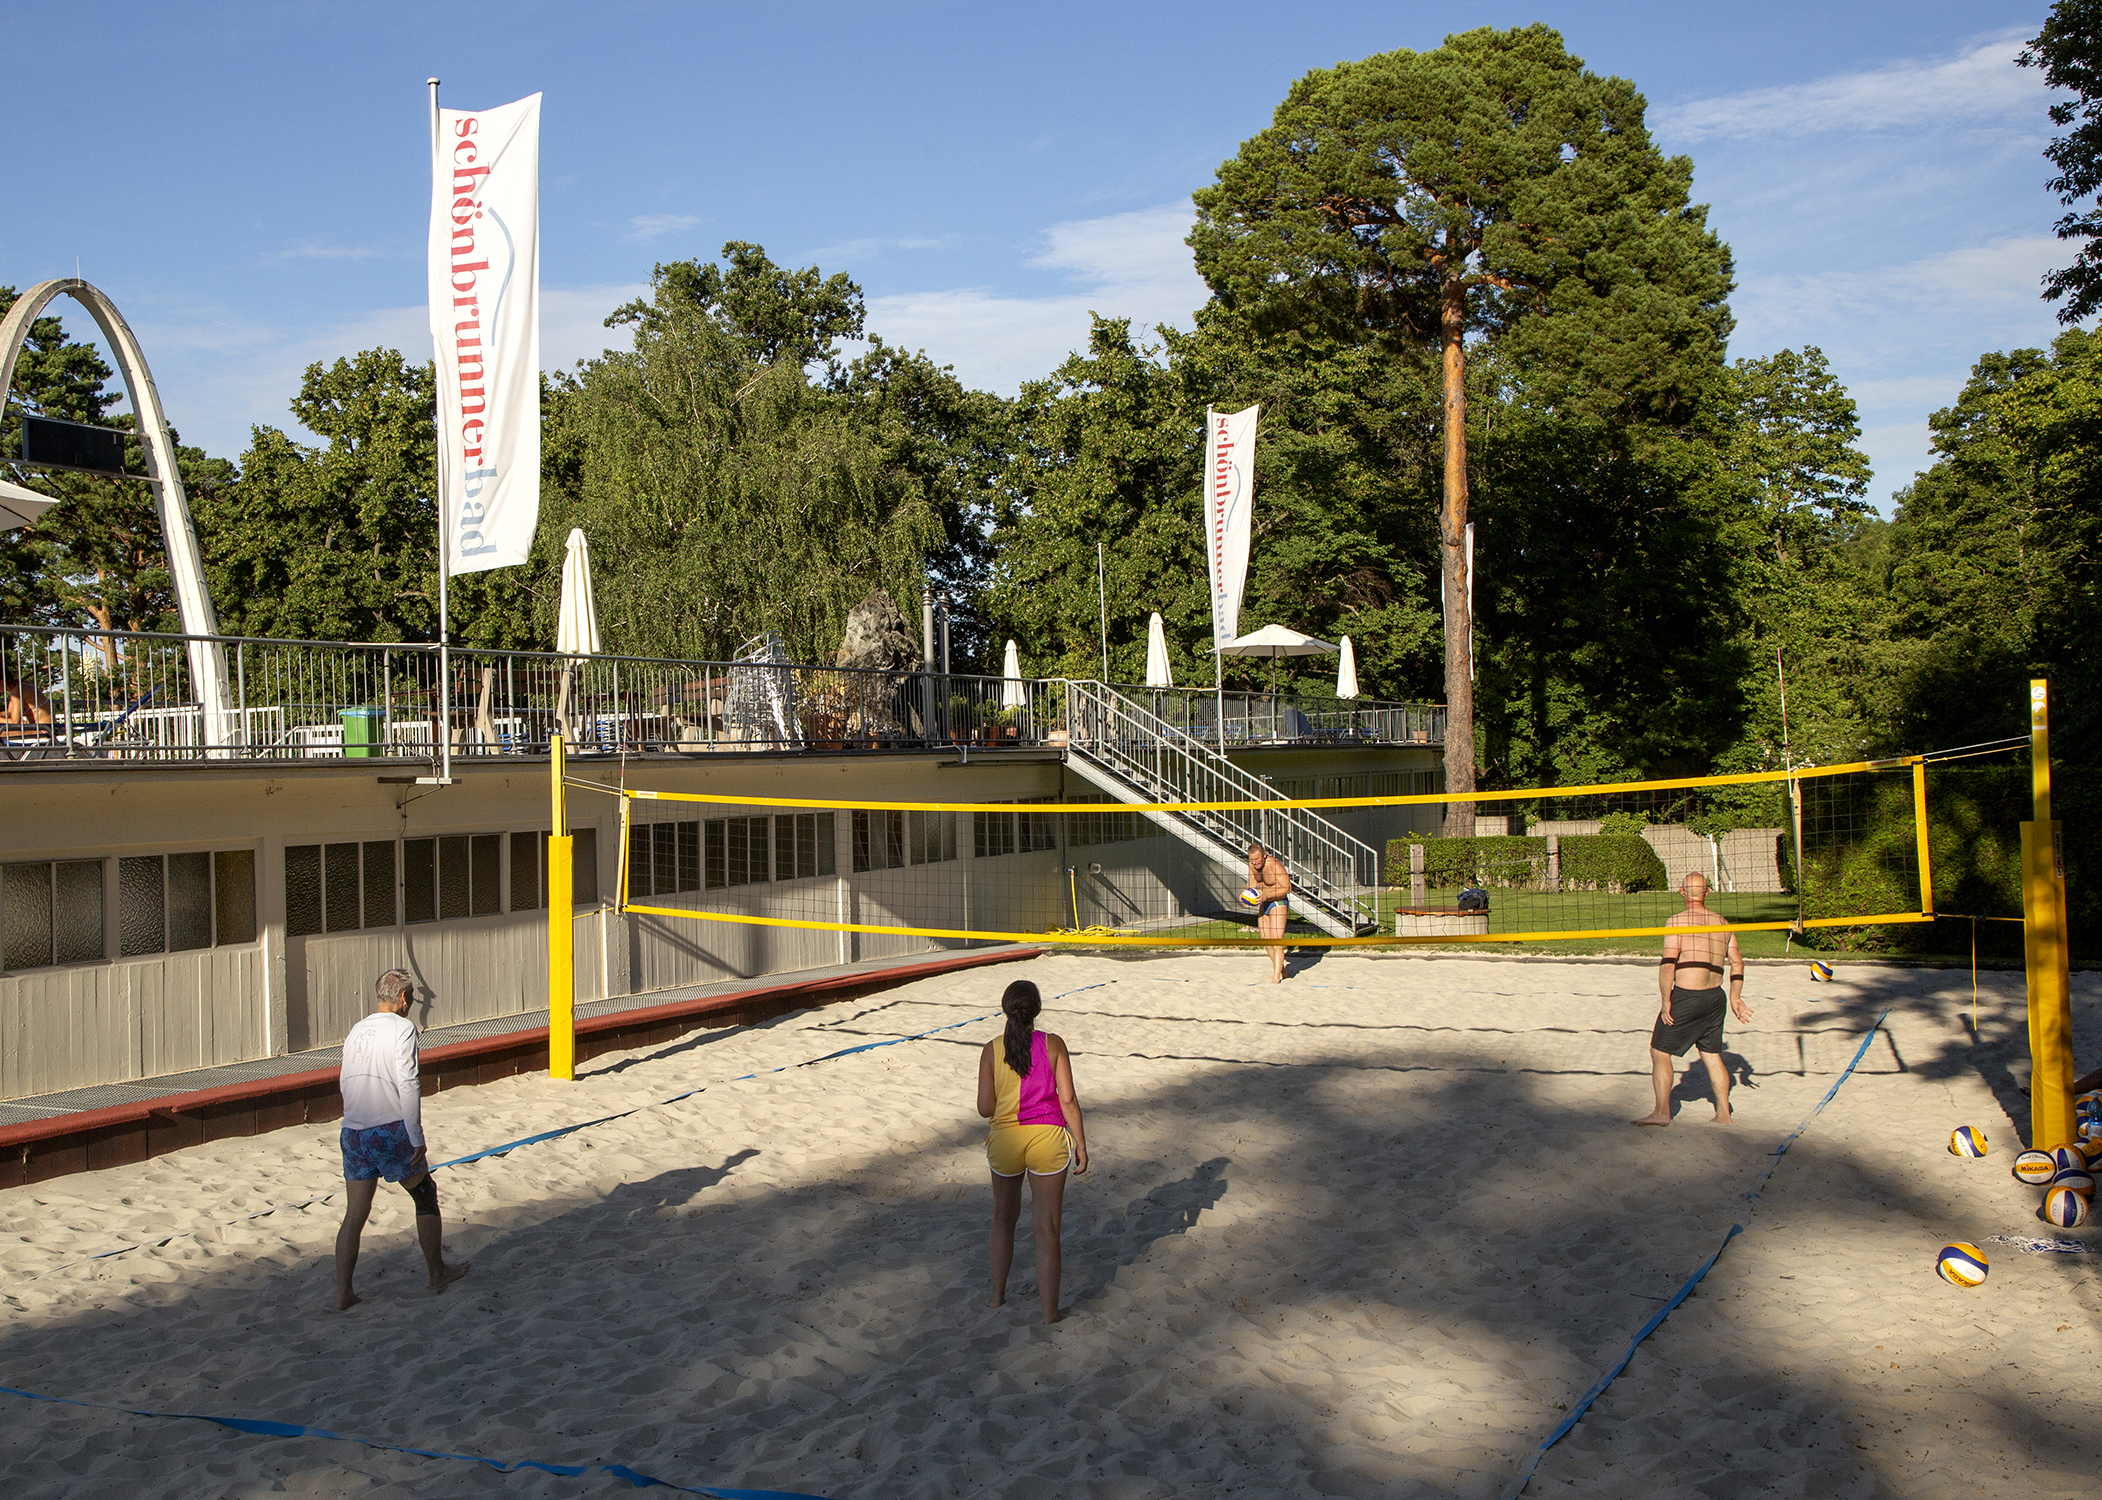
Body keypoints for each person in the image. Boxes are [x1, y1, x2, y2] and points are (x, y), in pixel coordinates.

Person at [334, 969, 470, 1309]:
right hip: (388, 1128)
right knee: (424, 1193)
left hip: (353, 1131)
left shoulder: (357, 1029)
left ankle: (343, 1293)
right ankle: (437, 1272)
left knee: (355, 1213)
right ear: (404, 998)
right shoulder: (403, 1028)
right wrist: (416, 1134)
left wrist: (354, 1117)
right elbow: (408, 1082)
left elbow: (345, 1078)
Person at [977, 979, 1088, 1324]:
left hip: (1006, 1142)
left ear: (1005, 1009)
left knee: (1003, 1218)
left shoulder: (991, 1049)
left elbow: (984, 1108)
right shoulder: (1054, 1044)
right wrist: (1081, 1143)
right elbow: (1067, 1099)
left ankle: (996, 1297)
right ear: (1037, 1010)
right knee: (1047, 1229)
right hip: (1048, 1140)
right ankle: (1050, 1314)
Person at [1633, 872, 1753, 1126]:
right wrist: (1735, 996)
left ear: (1681, 892)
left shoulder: (1677, 922)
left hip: (1688, 996)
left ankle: (1661, 1113)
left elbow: (1668, 965)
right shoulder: (1722, 922)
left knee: (1659, 1051)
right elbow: (1738, 963)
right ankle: (1723, 1114)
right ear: (1707, 892)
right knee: (1711, 1054)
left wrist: (1666, 1000)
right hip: (1716, 997)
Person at [1248, 840, 1293, 983]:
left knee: (1276, 940)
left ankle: (1276, 977)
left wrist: (1268, 894)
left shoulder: (1274, 864)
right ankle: (1282, 971)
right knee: (1266, 941)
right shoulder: (1252, 865)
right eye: (1252, 859)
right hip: (1264, 902)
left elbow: (1287, 887)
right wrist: (1247, 894)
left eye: (1257, 859)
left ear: (1264, 855)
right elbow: (1252, 882)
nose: (1255, 862)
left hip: (1277, 902)